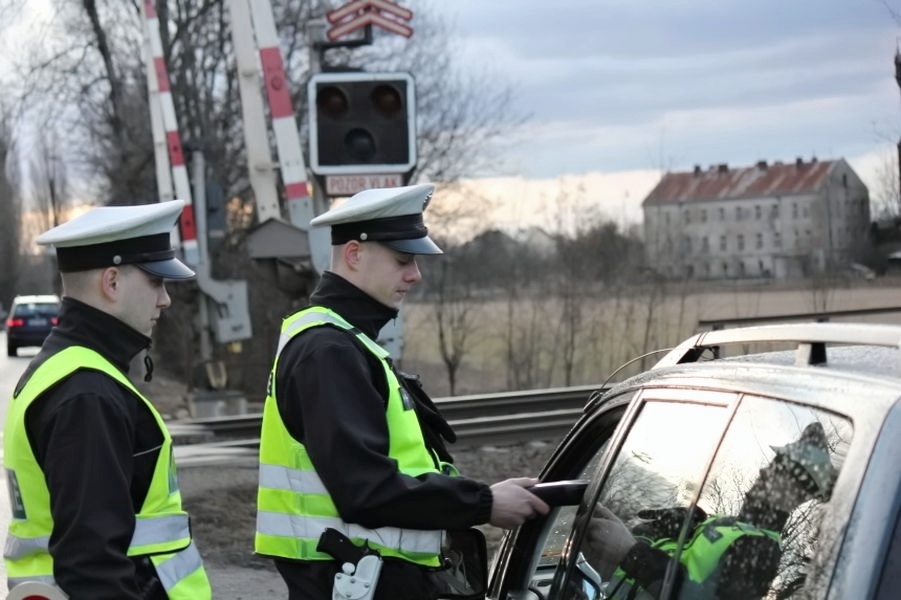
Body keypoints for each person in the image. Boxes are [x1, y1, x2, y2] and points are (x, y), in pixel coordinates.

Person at [254, 183, 550, 600]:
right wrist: (483, 504)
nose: (415, 274)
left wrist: (482, 497)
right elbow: (366, 488)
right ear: (354, 255)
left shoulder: (346, 342)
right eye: (402, 260)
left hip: (363, 579)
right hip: (356, 582)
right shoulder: (329, 350)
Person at [3, 200, 212, 600]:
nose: (165, 299)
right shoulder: (87, 393)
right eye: (156, 282)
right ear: (112, 282)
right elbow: (93, 568)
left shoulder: (67, 369)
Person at [585, 422, 836, 599]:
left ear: (796, 493)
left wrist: (631, 553)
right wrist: (675, 532)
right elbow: (688, 569)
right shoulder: (733, 526)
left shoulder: (761, 551)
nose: (763, 472)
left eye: (776, 469)